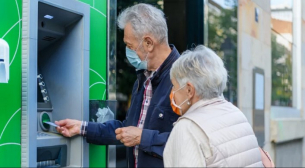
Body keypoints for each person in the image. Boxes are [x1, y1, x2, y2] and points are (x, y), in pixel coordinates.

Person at [55, 3, 180, 168]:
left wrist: (143, 138)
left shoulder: (186, 78)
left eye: (130, 46)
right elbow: (127, 130)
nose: (128, 51)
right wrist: (82, 127)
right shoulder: (143, 77)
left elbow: (194, 142)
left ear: (149, 43)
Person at [163, 45, 264, 167]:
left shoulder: (187, 128)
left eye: (174, 85)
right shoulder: (236, 113)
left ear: (189, 90)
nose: (172, 92)